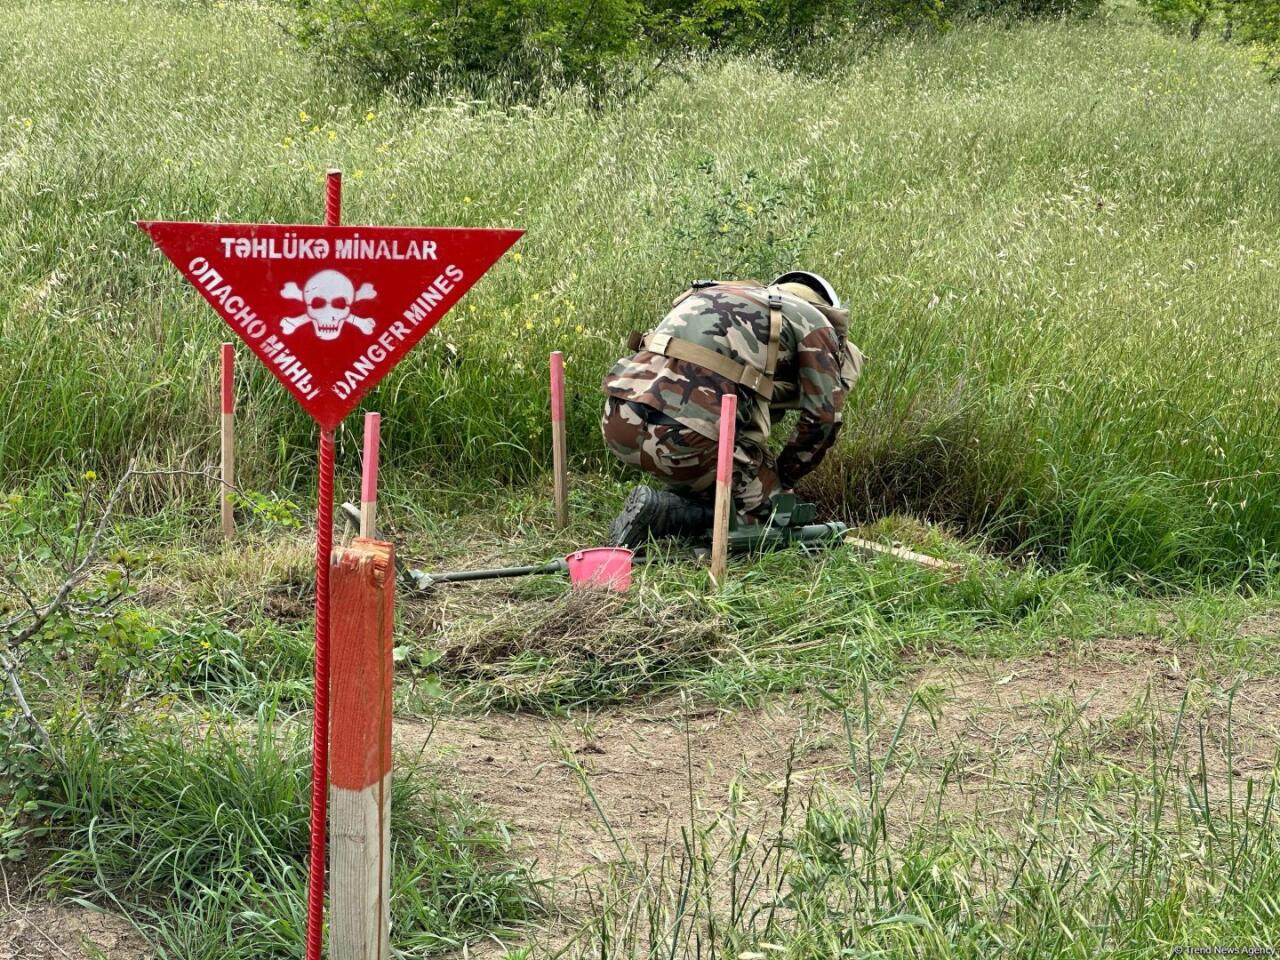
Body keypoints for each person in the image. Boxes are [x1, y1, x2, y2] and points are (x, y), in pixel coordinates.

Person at [601, 271, 864, 547]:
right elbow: (823, 418)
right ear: (825, 305)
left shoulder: (720, 294)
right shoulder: (814, 322)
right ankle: (667, 513)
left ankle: (679, 491)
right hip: (683, 442)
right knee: (773, 512)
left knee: (710, 468)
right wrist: (783, 478)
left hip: (618, 422)